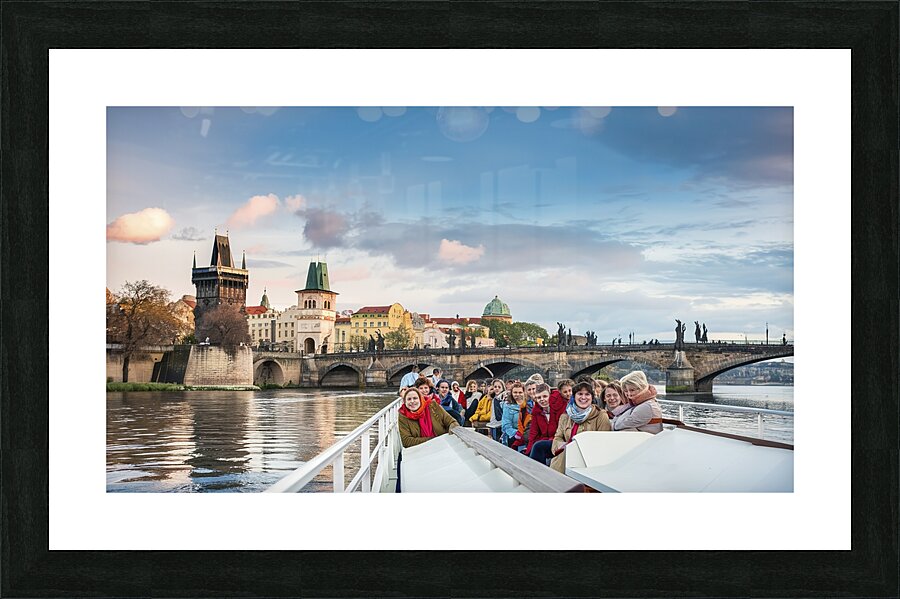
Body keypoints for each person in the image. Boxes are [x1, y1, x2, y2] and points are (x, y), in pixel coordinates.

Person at [549, 380, 612, 473]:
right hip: (562, 463)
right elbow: (557, 437)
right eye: (580, 394)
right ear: (574, 397)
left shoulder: (600, 415)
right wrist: (561, 445)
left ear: (592, 397)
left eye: (587, 394)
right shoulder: (565, 416)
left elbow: (603, 443)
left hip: (587, 465)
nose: (583, 397)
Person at [526, 383, 556, 463]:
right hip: (545, 441)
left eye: (545, 396)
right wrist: (528, 452)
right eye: (539, 397)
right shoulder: (536, 412)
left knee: (539, 446)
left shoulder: (557, 408)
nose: (542, 399)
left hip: (557, 441)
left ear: (550, 395)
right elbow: (533, 433)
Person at [501, 382, 527, 447]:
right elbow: (506, 425)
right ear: (511, 393)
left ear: (524, 393)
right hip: (514, 436)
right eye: (515, 392)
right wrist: (517, 434)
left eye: (520, 392)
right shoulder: (507, 406)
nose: (517, 394)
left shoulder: (529, 405)